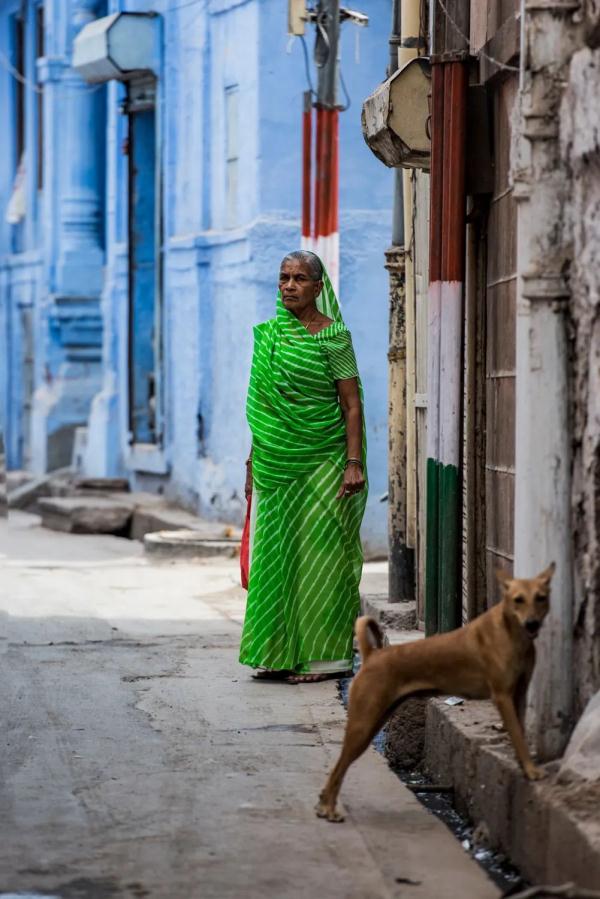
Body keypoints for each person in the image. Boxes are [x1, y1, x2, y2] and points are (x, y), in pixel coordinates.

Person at [239, 251, 367, 683]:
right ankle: (275, 653)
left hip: (326, 458)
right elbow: (262, 410)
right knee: (276, 555)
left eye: (299, 278)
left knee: (322, 555)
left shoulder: (334, 338)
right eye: (283, 278)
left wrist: (354, 463)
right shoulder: (268, 337)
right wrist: (252, 463)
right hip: (275, 460)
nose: (289, 285)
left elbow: (351, 405)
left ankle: (324, 658)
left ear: (318, 286)